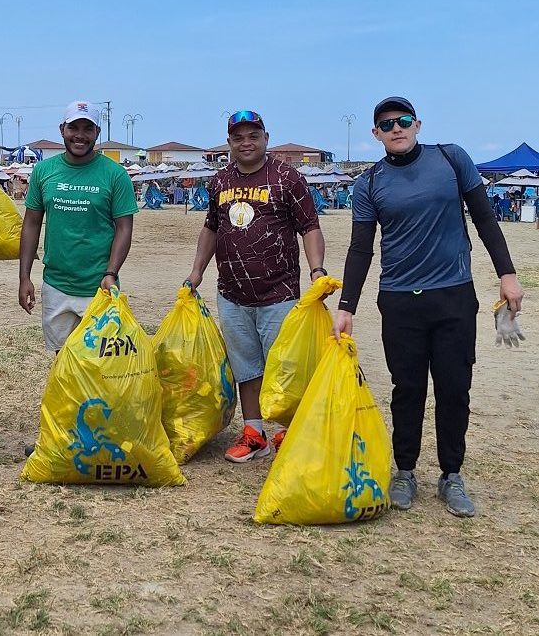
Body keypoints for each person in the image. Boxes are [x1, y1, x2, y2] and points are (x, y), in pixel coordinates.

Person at [333, 96, 525, 518]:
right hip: (400, 301)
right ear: (375, 134)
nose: (395, 128)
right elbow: (361, 248)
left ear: (417, 124)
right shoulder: (368, 184)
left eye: (402, 121)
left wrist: (507, 274)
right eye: (386, 125)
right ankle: (405, 471)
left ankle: (451, 475)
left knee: (455, 388)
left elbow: (485, 218)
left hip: (453, 294)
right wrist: (347, 305)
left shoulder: (451, 159)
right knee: (408, 391)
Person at [186, 110, 326, 463]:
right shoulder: (219, 181)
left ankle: (288, 431)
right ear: (229, 142)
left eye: (253, 136)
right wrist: (197, 271)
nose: (246, 143)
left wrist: (317, 271)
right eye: (238, 137)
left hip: (279, 292)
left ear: (266, 138)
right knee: (245, 366)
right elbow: (211, 229)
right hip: (232, 294)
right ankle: (254, 433)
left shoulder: (286, 177)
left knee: (285, 367)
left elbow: (309, 227)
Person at [19, 101, 138, 350]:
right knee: (62, 362)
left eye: (88, 129)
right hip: (56, 286)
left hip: (99, 287)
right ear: (62, 129)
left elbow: (124, 228)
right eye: (74, 127)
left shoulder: (115, 174)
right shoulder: (43, 171)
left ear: (97, 133)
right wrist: (24, 277)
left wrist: (111, 273)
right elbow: (31, 223)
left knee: (100, 366)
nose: (80, 136)